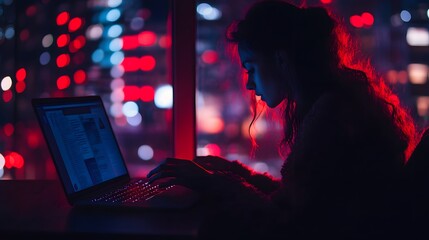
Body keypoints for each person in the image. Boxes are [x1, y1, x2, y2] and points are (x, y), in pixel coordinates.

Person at [147, 0, 418, 239]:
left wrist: (214, 182)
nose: (250, 84)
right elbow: (300, 200)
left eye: (251, 68)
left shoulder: (331, 116)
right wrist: (235, 173)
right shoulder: (340, 100)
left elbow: (282, 220)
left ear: (280, 59)